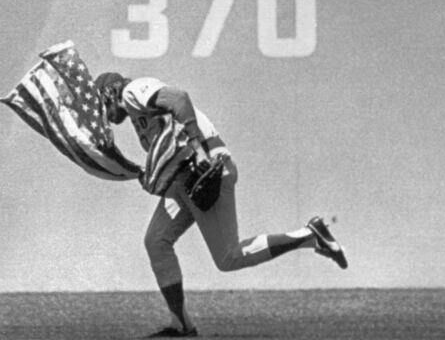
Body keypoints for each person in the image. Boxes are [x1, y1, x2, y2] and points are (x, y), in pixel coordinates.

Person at [93, 72, 348, 338]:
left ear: (110, 92)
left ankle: (310, 236)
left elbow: (179, 98)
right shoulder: (136, 112)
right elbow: (168, 149)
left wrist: (197, 142)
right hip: (186, 178)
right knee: (156, 241)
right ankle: (181, 325)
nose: (103, 113)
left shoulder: (131, 91)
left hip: (204, 169)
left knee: (229, 258)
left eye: (101, 102)